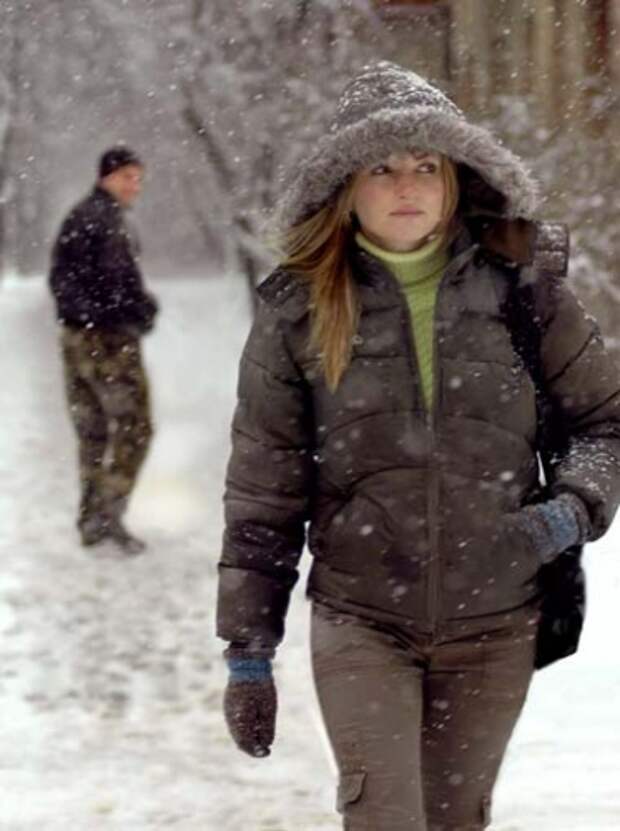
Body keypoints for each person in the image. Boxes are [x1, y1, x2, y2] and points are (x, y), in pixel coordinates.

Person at [216, 62, 620, 830]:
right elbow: (263, 492)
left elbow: (608, 421)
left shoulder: (521, 287)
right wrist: (247, 648)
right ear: (347, 187)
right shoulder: (296, 312)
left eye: (426, 167)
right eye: (383, 167)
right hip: (362, 617)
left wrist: (572, 508)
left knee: (454, 817)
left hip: (497, 619)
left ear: (455, 180)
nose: (407, 184)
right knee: (386, 817)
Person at [49, 145, 158, 555]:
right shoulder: (103, 220)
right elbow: (113, 285)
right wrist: (138, 310)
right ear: (106, 176)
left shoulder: (84, 217)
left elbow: (66, 283)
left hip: (76, 337)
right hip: (105, 339)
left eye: (138, 178)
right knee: (134, 428)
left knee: (93, 431)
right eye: (128, 176)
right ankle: (107, 517)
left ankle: (91, 519)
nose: (135, 186)